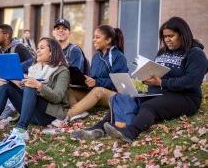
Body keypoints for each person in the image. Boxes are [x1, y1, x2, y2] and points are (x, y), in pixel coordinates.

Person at [71, 16, 208, 142]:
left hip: (185, 97)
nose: (167, 40)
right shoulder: (162, 52)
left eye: (171, 36)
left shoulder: (195, 54)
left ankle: (130, 133)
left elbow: (192, 81)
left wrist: (162, 82)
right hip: (159, 92)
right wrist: (147, 77)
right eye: (164, 37)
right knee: (123, 99)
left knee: (149, 106)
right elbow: (156, 72)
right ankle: (98, 129)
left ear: (183, 34)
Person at [0, 37, 70, 143]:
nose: (37, 50)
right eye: (37, 47)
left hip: (48, 115)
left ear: (51, 52)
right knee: (6, 85)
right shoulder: (34, 67)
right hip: (31, 114)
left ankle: (21, 129)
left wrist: (39, 85)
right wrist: (8, 80)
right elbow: (25, 90)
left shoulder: (62, 71)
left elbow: (57, 97)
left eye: (41, 48)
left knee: (30, 85)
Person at [67, 25, 128, 120]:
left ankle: (68, 115)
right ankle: (79, 112)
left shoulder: (118, 57)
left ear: (108, 40)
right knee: (69, 90)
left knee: (98, 90)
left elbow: (120, 83)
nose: (94, 40)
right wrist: (85, 81)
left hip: (114, 96)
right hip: (95, 93)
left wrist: (97, 82)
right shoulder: (96, 57)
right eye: (94, 37)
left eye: (97, 37)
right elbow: (94, 78)